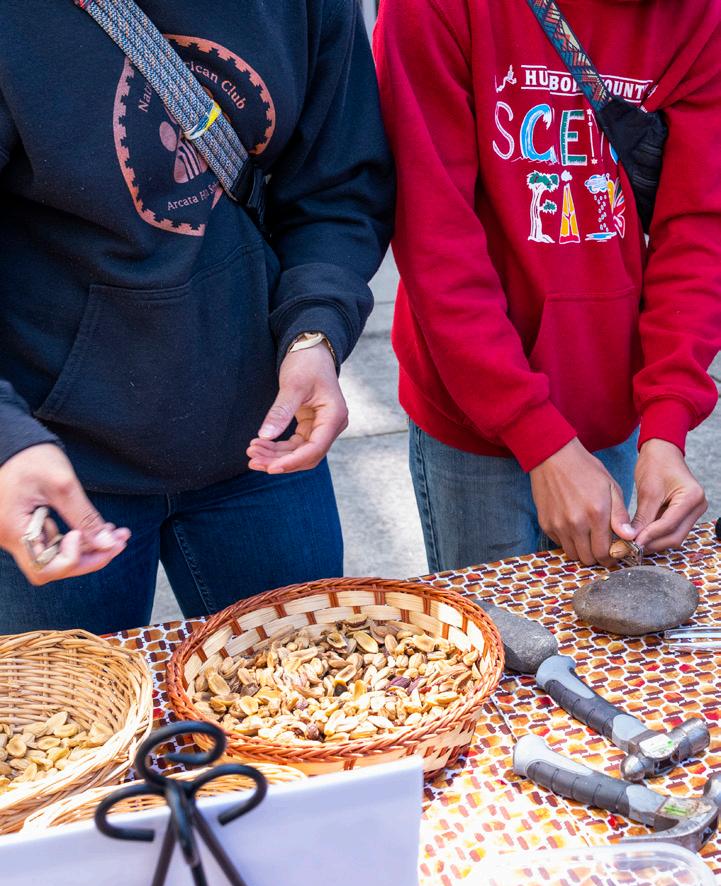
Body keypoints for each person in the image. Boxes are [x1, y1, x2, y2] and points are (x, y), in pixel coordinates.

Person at [0, 1, 394, 634]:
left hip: (262, 436)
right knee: (70, 700)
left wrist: (316, 330)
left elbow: (338, 184)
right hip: (54, 455)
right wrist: (7, 443)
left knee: (313, 684)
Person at [374, 0, 721, 570]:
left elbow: (697, 231)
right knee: (495, 624)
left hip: (614, 403)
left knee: (615, 622)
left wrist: (666, 424)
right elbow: (435, 237)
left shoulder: (698, 16)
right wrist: (535, 434)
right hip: (475, 416)